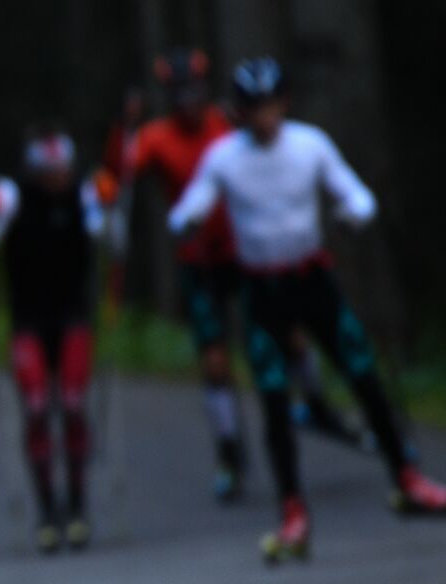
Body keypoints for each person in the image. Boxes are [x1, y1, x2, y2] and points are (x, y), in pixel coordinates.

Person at [169, 58, 446, 558]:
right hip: (262, 291)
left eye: (271, 106)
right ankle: (292, 511)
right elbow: (191, 204)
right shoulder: (224, 156)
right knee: (273, 399)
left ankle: (406, 476)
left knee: (363, 373)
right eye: (254, 108)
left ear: (285, 103)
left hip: (312, 279)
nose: (264, 118)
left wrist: (355, 212)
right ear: (238, 111)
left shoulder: (310, 144)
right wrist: (186, 220)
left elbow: (354, 193)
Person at [102, 48, 352, 502]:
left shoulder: (226, 124)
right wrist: (124, 129)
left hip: (247, 254)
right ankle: (230, 452)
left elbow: (270, 148)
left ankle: (316, 403)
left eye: (195, 91)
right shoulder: (157, 137)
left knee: (290, 336)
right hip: (199, 263)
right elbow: (120, 175)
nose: (188, 102)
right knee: (215, 362)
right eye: (179, 94)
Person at [0, 127, 104, 552]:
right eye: (48, 172)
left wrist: (106, 211)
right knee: (37, 406)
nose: (56, 179)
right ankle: (46, 510)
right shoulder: (13, 199)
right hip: (27, 322)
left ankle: (77, 505)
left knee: (74, 404)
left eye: (62, 171)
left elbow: (115, 241)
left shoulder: (84, 196)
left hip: (73, 317)